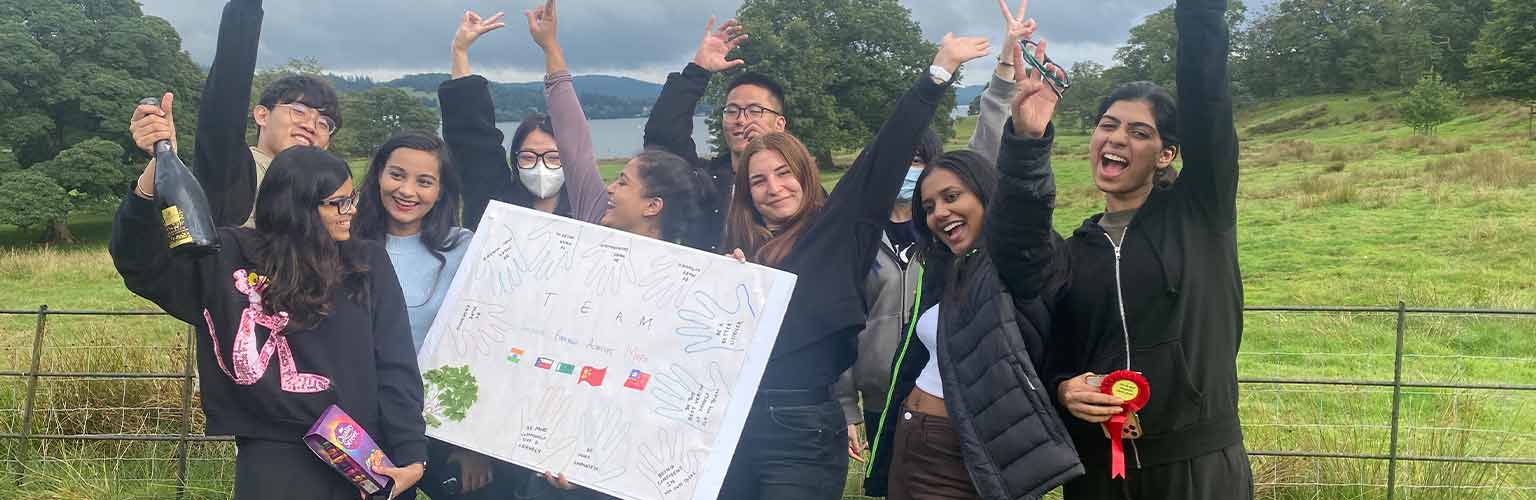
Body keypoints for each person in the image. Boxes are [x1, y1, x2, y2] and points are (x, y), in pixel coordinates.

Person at [712, 34, 991, 500]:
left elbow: (884, 155)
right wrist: (725, 288)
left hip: (801, 431)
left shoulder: (839, 233)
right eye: (758, 181)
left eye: (784, 173)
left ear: (805, 175)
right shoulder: (744, 253)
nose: (773, 188)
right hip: (736, 423)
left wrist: (938, 72)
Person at [111, 135, 425, 498]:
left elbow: (396, 363)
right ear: (299, 208)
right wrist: (158, 166)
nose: (350, 211)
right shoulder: (231, 259)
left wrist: (411, 453)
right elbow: (140, 262)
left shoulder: (366, 263)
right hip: (275, 457)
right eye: (337, 203)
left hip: (364, 452)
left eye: (350, 198)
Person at [1045, 0, 1253, 497]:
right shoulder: (1075, 251)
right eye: (1108, 125)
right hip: (1100, 474)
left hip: (1198, 469)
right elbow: (1056, 351)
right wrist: (1063, 387)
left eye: (1139, 132)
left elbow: (1207, 99)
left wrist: (1199, 14)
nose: (1117, 138)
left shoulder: (1202, 214)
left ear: (1166, 154)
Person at [862, 36, 1084, 500]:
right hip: (913, 440)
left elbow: (1025, 210)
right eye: (929, 206)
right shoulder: (952, 267)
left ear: (985, 194)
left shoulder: (1014, 259)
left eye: (951, 197)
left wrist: (1026, 141)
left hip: (962, 454)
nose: (939, 213)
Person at [834, 0, 1031, 463]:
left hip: (953, 392)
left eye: (919, 163)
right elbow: (840, 322)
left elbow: (986, 143)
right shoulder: (859, 238)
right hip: (884, 394)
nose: (909, 170)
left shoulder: (948, 238)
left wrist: (1004, 67)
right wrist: (847, 406)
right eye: (901, 161)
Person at [351, 131, 518, 499]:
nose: (407, 191)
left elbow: (486, 348)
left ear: (441, 190)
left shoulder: (465, 248)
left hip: (444, 427)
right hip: (365, 426)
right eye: (397, 175)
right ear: (378, 175)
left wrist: (471, 442)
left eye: (424, 181)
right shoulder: (346, 245)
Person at [128, 0, 343, 228]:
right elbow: (226, 97)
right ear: (262, 115)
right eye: (298, 111)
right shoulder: (235, 173)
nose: (310, 125)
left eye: (324, 123)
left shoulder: (334, 194)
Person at [441, 1, 607, 230]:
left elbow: (573, 131)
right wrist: (459, 51)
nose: (541, 168)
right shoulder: (494, 205)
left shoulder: (588, 209)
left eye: (553, 157)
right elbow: (473, 143)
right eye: (528, 157)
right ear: (515, 161)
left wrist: (550, 46)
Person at [642, 16, 779, 252]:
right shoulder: (705, 181)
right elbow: (662, 139)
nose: (741, 120)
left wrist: (764, 156)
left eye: (755, 111)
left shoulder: (796, 188)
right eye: (732, 110)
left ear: (779, 124)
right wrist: (698, 70)